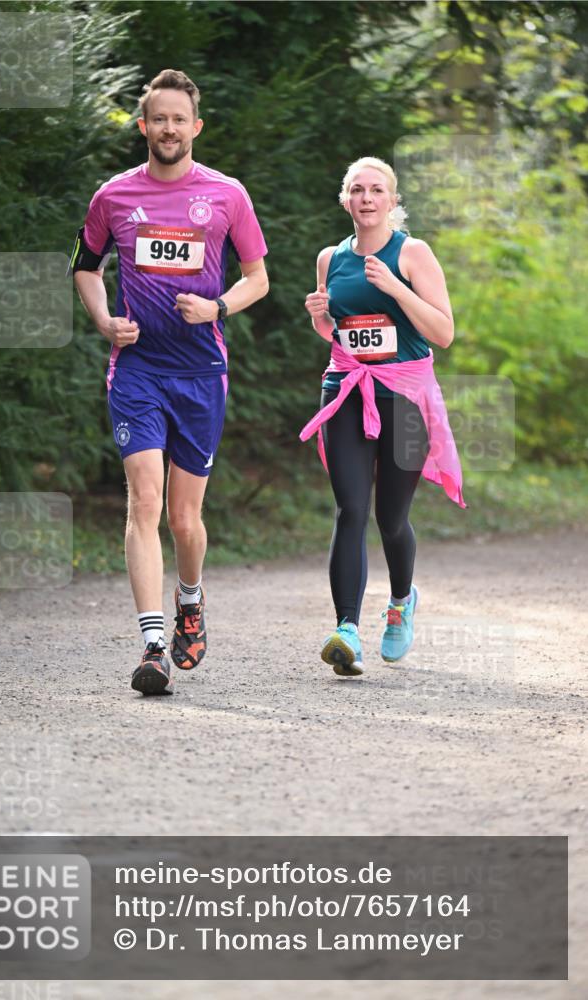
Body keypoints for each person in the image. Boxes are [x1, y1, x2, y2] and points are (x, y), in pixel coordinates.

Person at [70, 69, 268, 696]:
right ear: (143, 126)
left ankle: (190, 597)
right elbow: (85, 266)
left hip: (202, 372)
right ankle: (154, 646)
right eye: (159, 118)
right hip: (138, 369)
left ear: (196, 127)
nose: (169, 128)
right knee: (144, 502)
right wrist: (104, 319)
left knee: (184, 520)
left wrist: (218, 307)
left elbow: (258, 277)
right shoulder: (114, 196)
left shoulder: (227, 194)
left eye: (179, 119)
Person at [301, 156, 464, 675]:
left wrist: (395, 287)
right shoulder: (330, 258)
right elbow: (337, 334)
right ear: (345, 199)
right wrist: (321, 318)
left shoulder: (412, 253)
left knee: (391, 518)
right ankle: (346, 628)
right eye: (357, 189)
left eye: (376, 190)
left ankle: (400, 602)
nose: (366, 198)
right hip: (345, 390)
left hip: (405, 396)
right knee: (350, 508)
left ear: (392, 201)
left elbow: (443, 333)